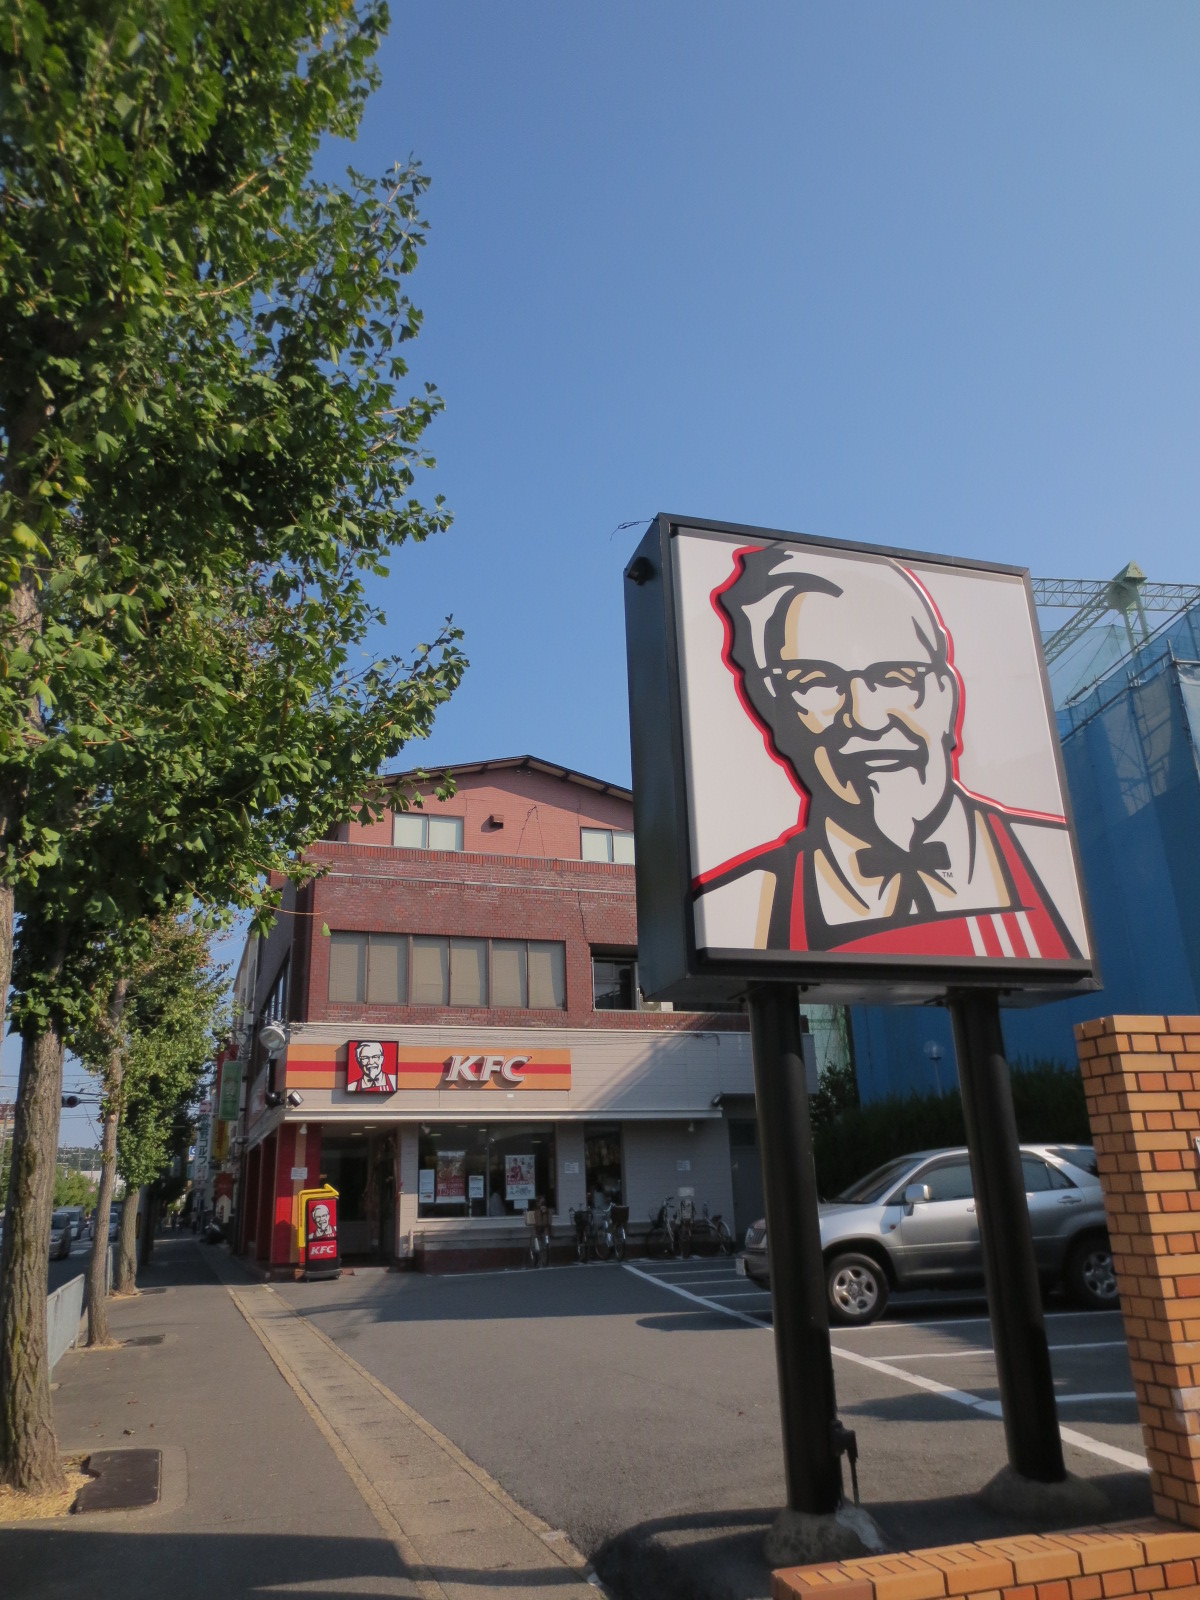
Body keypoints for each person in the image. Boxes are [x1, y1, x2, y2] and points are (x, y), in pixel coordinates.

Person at [698, 545, 1082, 959]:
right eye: (815, 680)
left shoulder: (1051, 866)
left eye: (897, 676)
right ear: (772, 711)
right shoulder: (739, 911)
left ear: (946, 696)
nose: (867, 717)